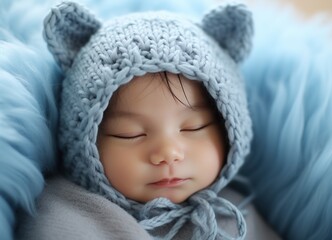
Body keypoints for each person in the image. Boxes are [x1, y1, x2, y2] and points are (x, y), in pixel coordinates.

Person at [16, 1, 280, 239]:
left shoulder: (238, 214)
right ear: (83, 146)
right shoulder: (64, 212)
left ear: (231, 129)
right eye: (129, 133)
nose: (168, 153)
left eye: (193, 126)